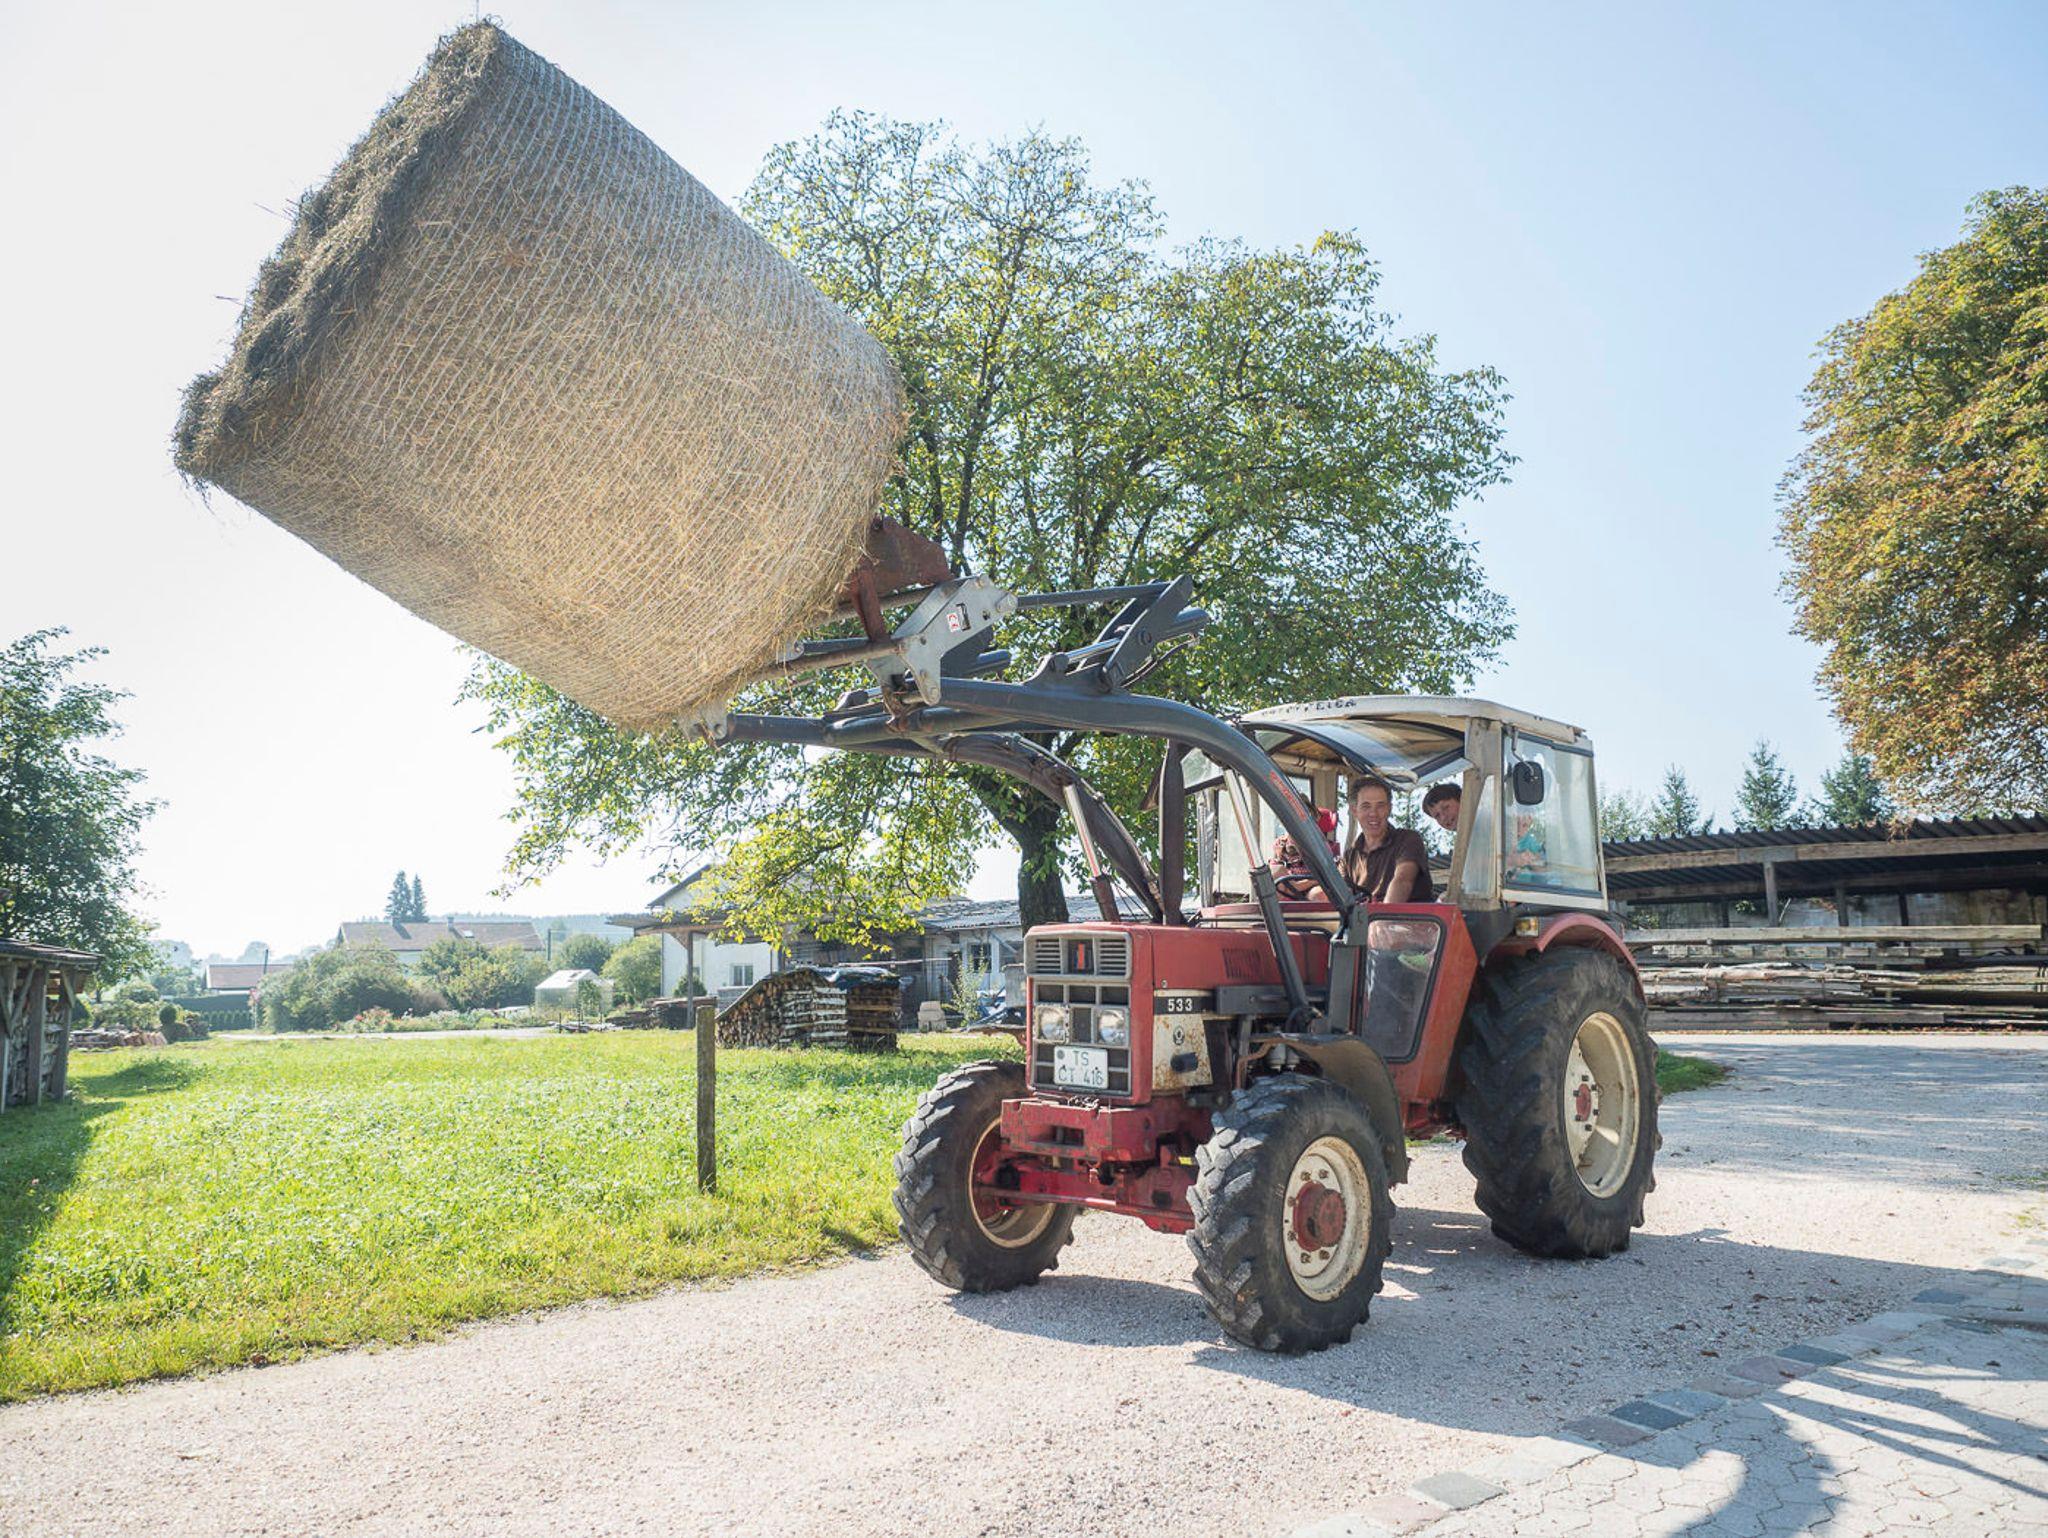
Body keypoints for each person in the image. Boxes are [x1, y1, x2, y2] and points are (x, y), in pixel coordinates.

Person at [1342, 776, 1434, 903]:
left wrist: (1383, 914)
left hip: (1403, 915)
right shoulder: (1349, 856)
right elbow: (1339, 894)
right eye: (1366, 806)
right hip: (1366, 915)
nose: (1373, 813)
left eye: (1380, 806)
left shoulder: (1408, 840)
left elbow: (1402, 881)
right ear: (1354, 811)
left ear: (1389, 809)